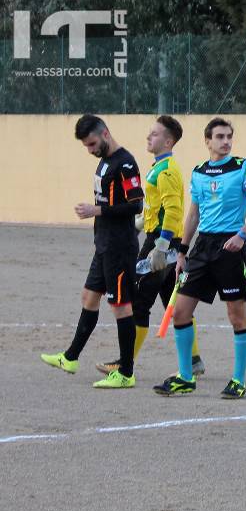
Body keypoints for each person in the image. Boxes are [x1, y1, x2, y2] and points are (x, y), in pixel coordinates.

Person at [152, 117, 246, 398]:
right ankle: (185, 377)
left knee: (236, 315)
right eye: (219, 136)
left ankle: (238, 380)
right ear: (207, 141)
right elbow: (193, 213)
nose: (226, 141)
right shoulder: (199, 171)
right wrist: (181, 250)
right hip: (202, 247)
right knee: (180, 312)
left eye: (229, 136)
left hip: (230, 246)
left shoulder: (243, 167)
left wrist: (242, 235)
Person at [95, 116, 206, 380]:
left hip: (160, 243)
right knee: (172, 300)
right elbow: (158, 207)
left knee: (138, 301)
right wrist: (139, 223)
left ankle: (125, 364)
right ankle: (195, 359)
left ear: (168, 141)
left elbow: (175, 209)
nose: (148, 137)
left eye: (154, 134)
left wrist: (162, 244)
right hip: (161, 239)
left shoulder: (166, 170)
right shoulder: (159, 167)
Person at [42, 115, 144, 389]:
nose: (90, 150)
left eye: (92, 144)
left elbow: (136, 206)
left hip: (120, 247)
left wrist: (95, 211)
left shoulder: (125, 163)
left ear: (105, 134)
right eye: (86, 146)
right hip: (104, 245)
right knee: (89, 296)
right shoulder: (105, 160)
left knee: (121, 306)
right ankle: (71, 357)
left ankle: (125, 373)